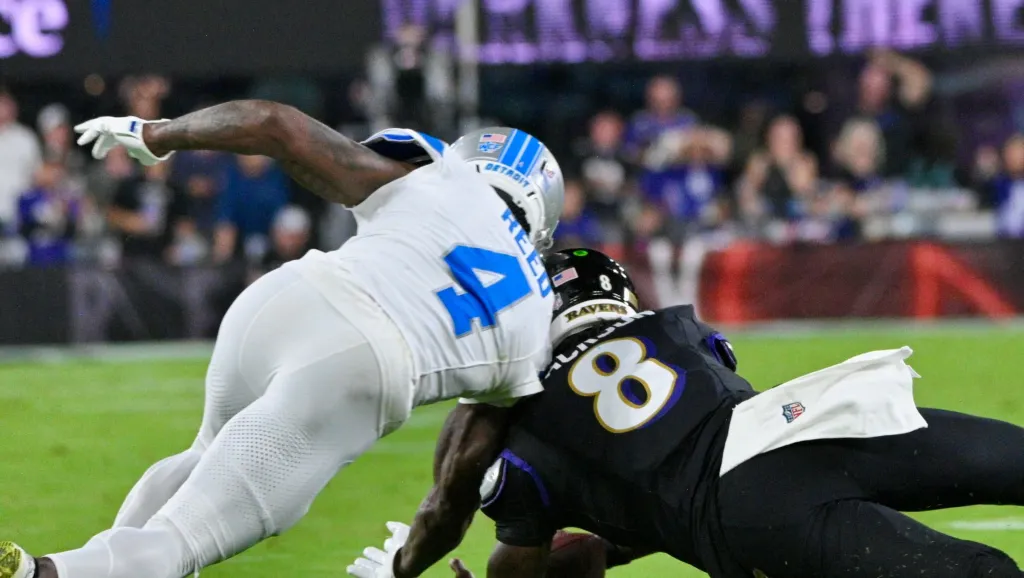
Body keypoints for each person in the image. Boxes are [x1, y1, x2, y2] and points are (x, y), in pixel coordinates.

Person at [0, 103, 565, 578]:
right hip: (360, 367)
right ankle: (31, 572)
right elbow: (460, 478)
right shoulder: (538, 314)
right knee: (178, 543)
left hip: (286, 297)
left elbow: (275, 126)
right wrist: (407, 561)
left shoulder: (441, 173)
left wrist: (157, 133)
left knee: (202, 459)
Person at [359, 249, 1024, 578]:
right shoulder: (672, 329)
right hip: (805, 426)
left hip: (749, 510)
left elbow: (542, 561)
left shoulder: (524, 435)